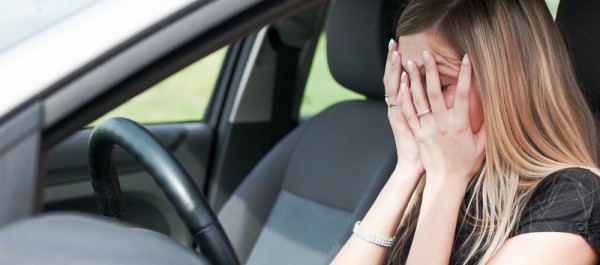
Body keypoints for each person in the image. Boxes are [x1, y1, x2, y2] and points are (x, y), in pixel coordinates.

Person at [331, 0, 600, 264]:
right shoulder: (434, 172)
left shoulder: (574, 199)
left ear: (504, 89)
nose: (414, 101)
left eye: (438, 83)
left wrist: (447, 180)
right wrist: (408, 168)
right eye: (405, 79)